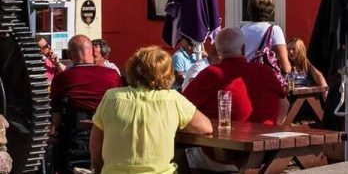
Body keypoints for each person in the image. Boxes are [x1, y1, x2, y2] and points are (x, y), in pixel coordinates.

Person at [90, 46, 213, 174]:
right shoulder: (173, 99)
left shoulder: (111, 97)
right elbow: (206, 127)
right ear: (167, 74)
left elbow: (96, 146)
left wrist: (99, 170)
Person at [183, 27, 288, 125]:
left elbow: (181, 106)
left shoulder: (211, 74)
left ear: (218, 53)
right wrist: (275, 130)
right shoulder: (265, 71)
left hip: (226, 142)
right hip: (267, 140)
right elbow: (284, 104)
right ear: (243, 49)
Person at [50, 35, 123, 174]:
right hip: (107, 134)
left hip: (75, 136)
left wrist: (52, 132)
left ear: (70, 55)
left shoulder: (62, 78)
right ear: (93, 52)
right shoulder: (112, 75)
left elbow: (56, 112)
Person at [239, 0, 291, 76]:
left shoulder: (240, 30)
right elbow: (286, 67)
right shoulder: (274, 30)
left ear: (249, 9)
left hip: (244, 80)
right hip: (265, 81)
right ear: (271, 10)